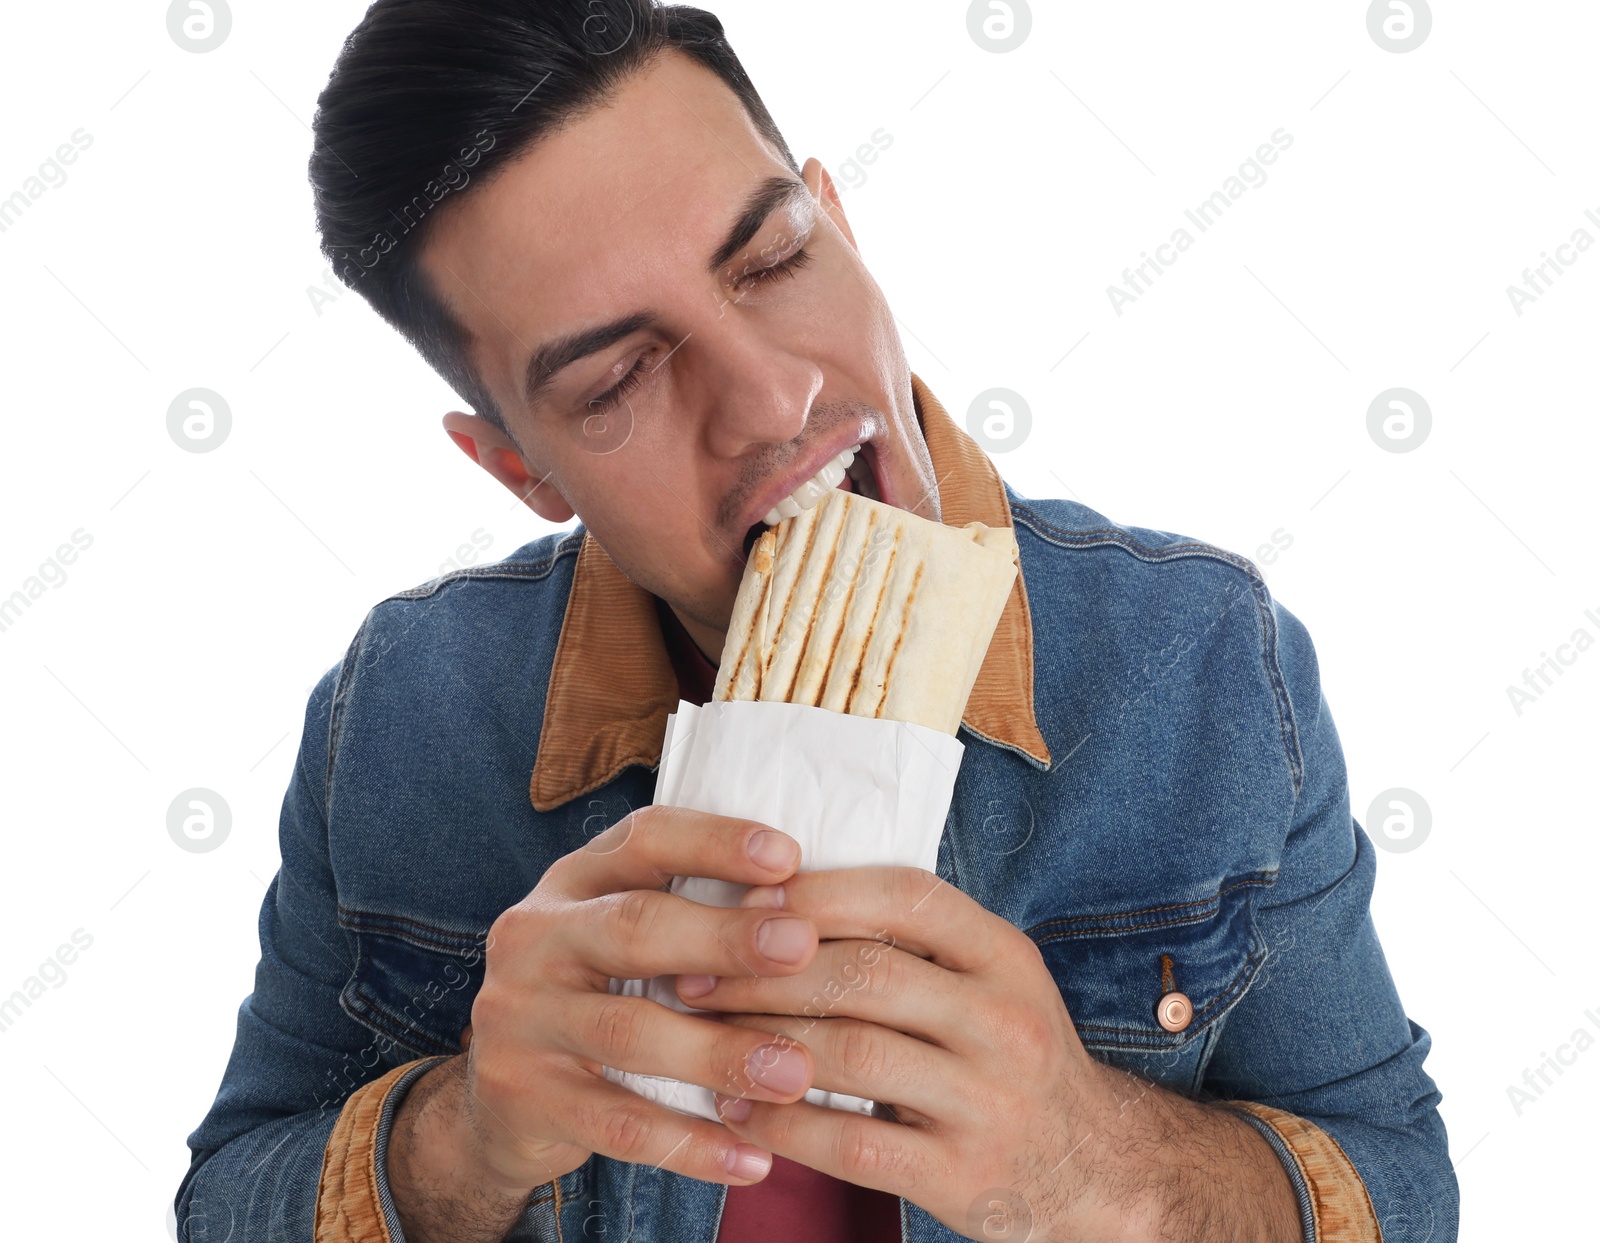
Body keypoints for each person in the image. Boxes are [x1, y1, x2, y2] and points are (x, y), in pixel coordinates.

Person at [175, 2, 1458, 1240]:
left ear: (838, 222)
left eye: (774, 258)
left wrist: (1097, 1169)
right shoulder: (401, 711)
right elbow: (227, 1196)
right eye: (619, 376)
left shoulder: (1205, 660)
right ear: (522, 468)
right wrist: (458, 1140)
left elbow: (1402, 1182)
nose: (773, 395)